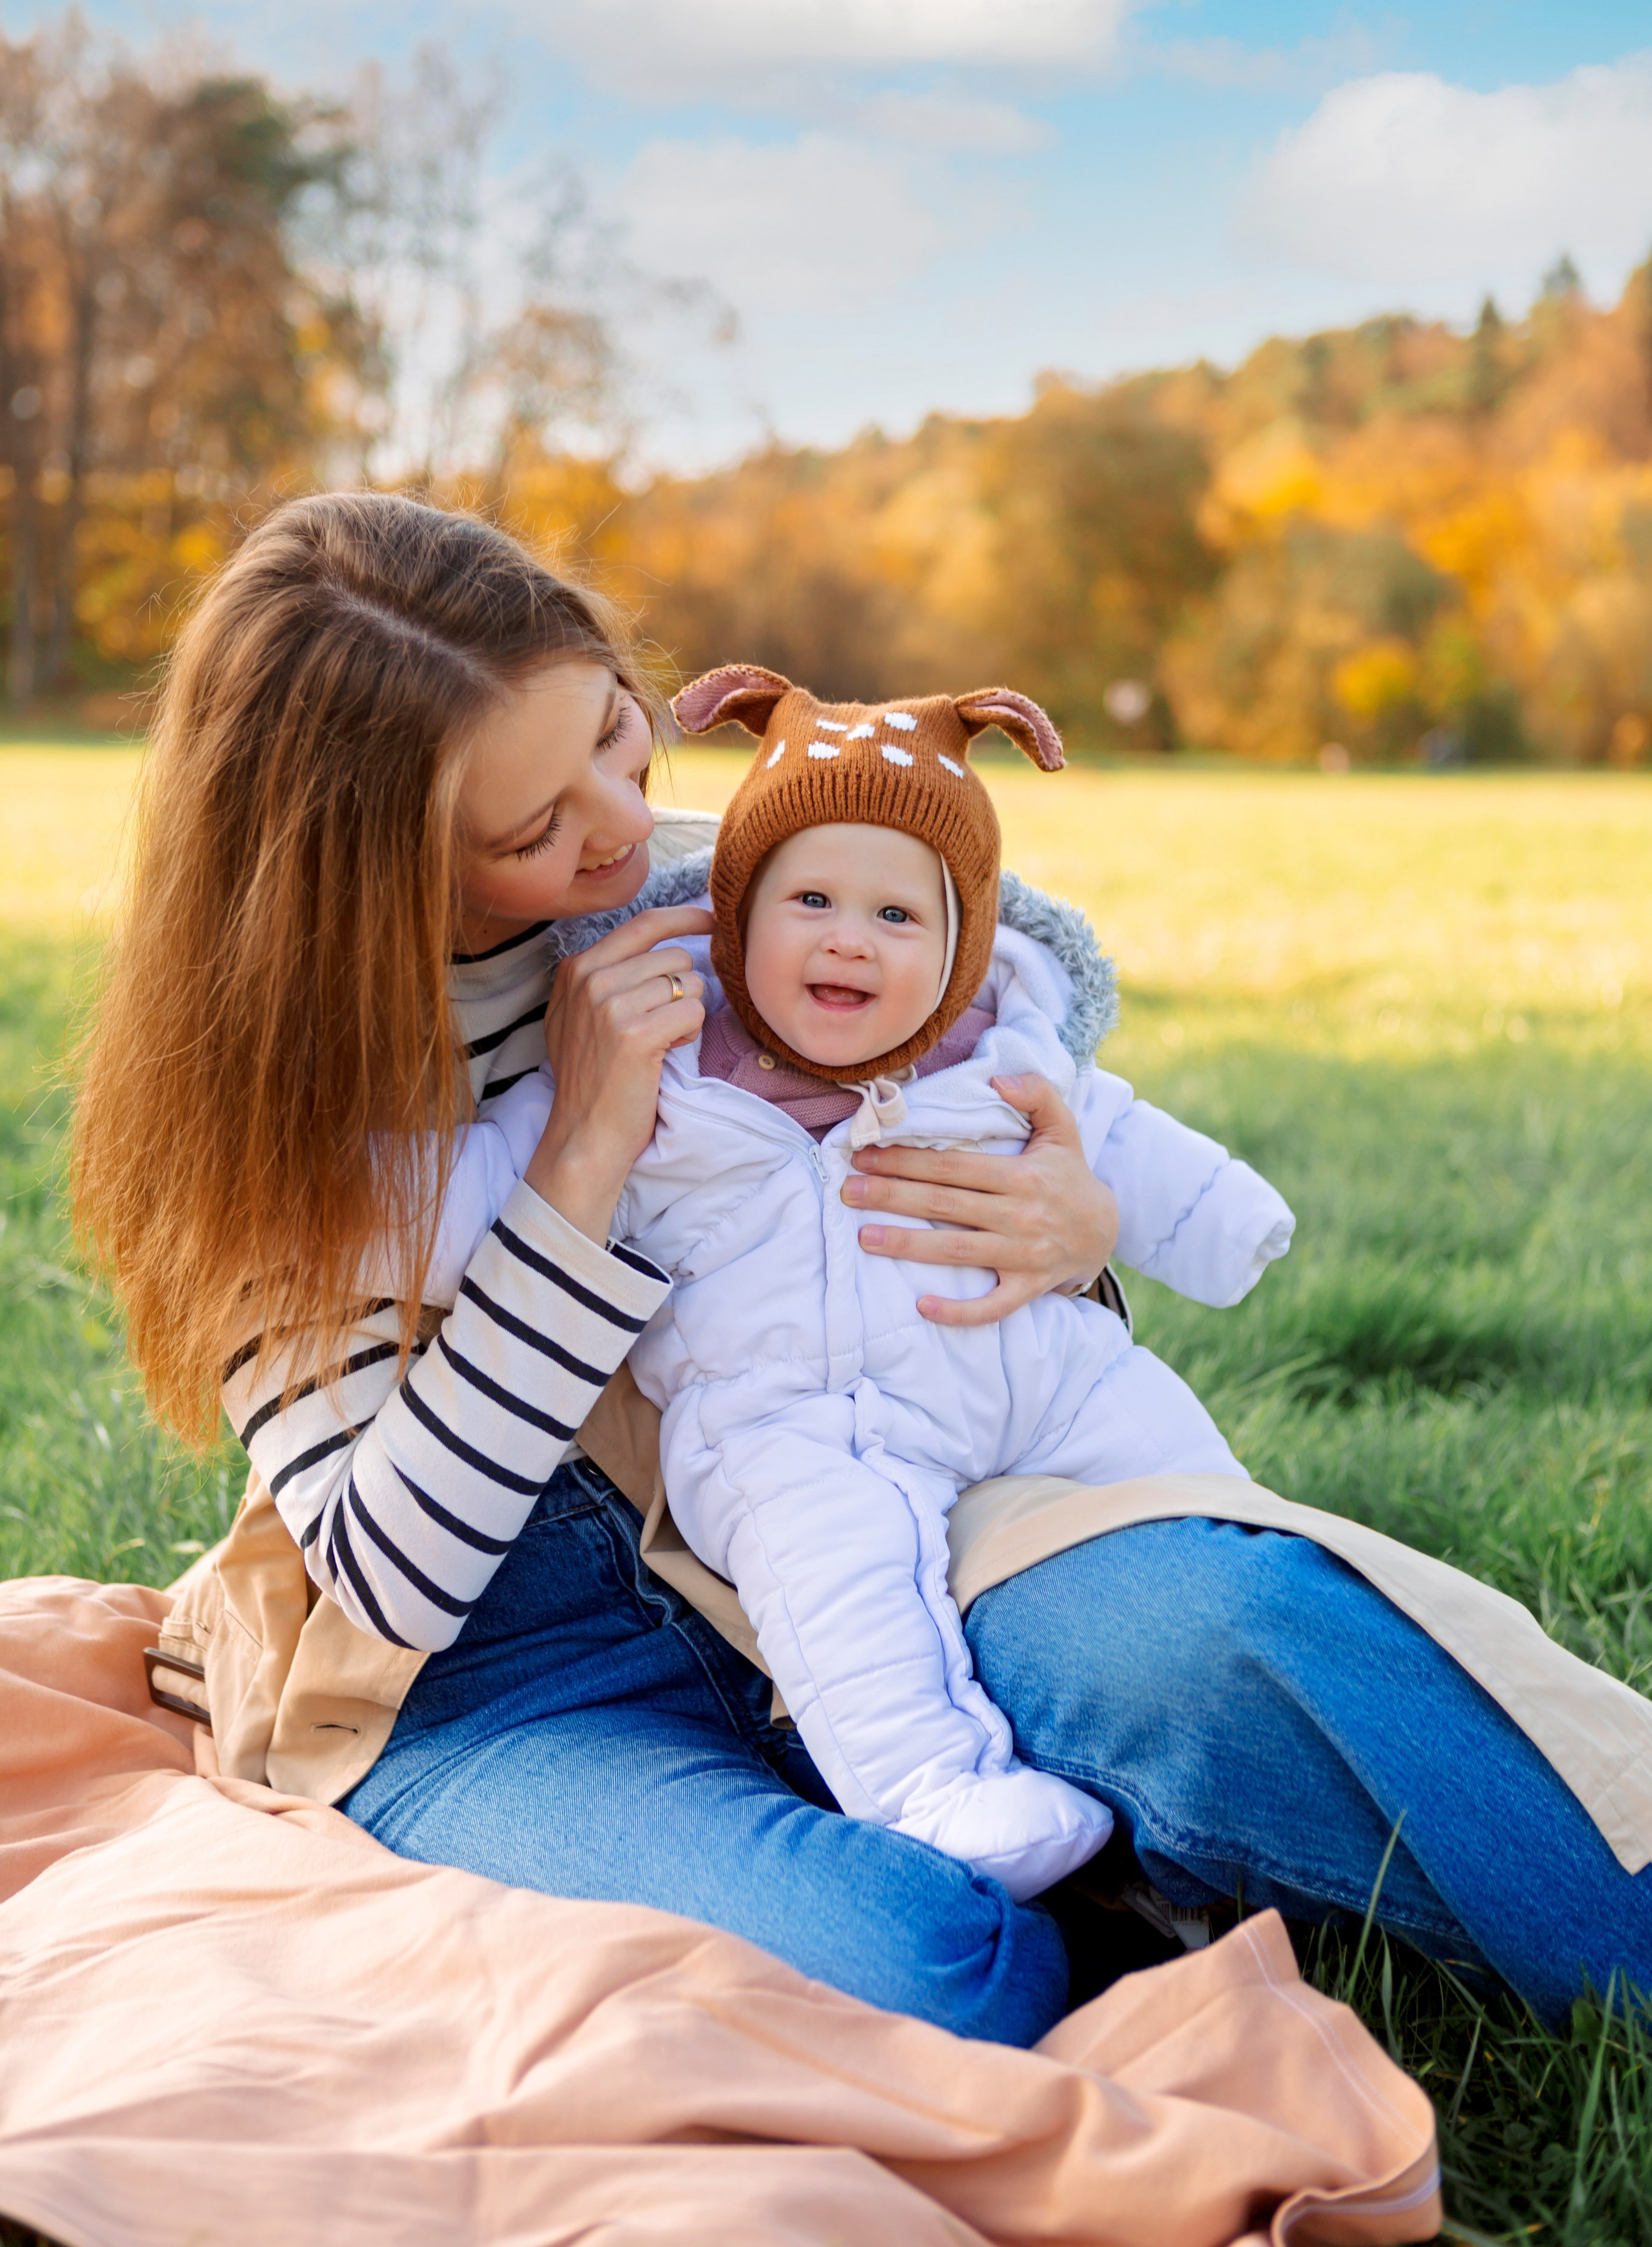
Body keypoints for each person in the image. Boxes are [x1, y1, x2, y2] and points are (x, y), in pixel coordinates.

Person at [74, 492, 1652, 2050]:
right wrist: (577, 1161)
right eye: (533, 829)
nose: (621, 829)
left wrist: (1066, 1233)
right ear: (367, 866)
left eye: (616, 738)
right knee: (918, 1965)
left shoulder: (724, 893)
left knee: (1226, 1627)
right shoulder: (260, 1091)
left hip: (852, 1514)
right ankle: (1077, 1876)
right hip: (510, 1674)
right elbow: (397, 1578)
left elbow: (920, 1167)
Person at [414, 664, 1292, 1901]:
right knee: (841, 1587)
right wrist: (345, 1210)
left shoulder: (998, 1050)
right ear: (736, 916)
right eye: (812, 901)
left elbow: (1113, 1135)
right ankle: (943, 1796)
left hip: (1038, 1378)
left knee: (1189, 1481)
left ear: (962, 944)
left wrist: (1194, 1222)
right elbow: (490, 1178)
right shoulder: (660, 1061)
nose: (848, 938)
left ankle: (1294, 1602)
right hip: (792, 1419)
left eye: (897, 916)